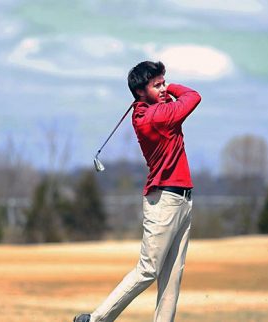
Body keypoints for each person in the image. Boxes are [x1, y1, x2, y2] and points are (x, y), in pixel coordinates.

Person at [73, 61, 201, 322]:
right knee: (148, 269)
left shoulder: (153, 109)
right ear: (140, 92)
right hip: (164, 201)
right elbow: (193, 97)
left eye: (165, 82)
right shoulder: (155, 118)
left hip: (182, 199)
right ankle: (97, 319)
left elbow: (180, 98)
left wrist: (160, 89)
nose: (165, 88)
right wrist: (173, 88)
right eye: (158, 85)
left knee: (172, 278)